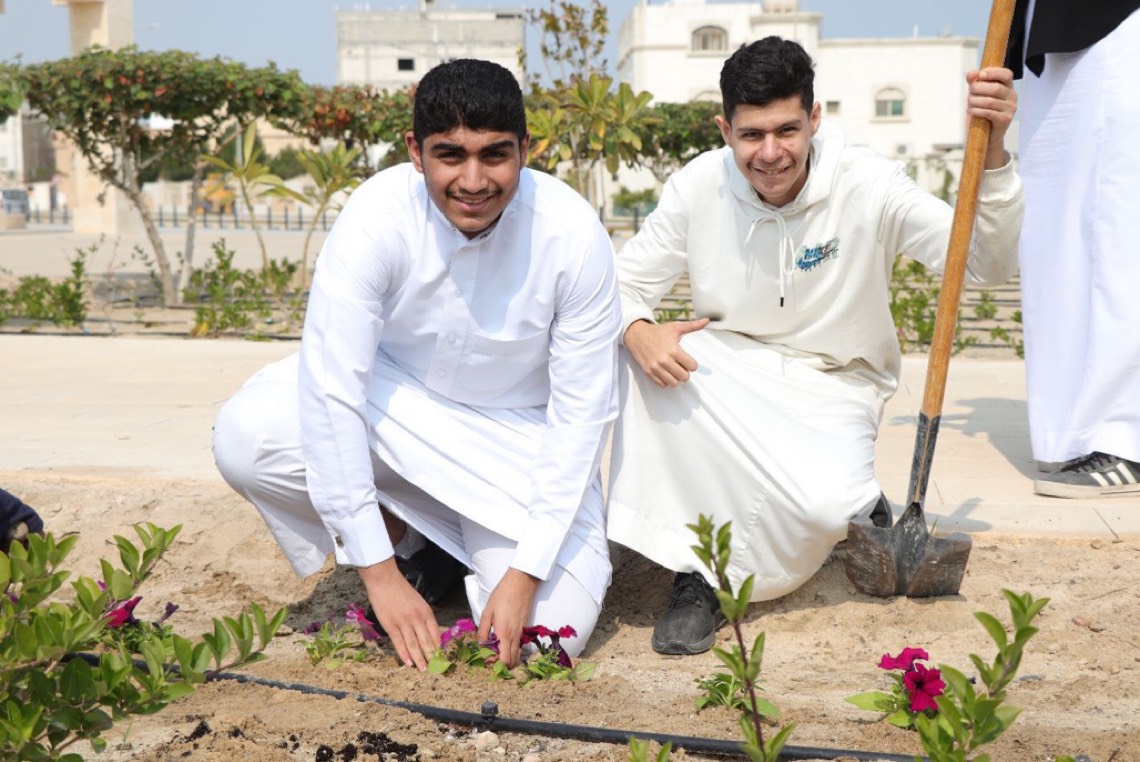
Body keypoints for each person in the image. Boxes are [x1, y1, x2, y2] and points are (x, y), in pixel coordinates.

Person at [607, 36, 1023, 655]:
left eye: (787, 130)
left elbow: (985, 263)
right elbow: (621, 284)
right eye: (751, 135)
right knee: (638, 360)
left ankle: (856, 502)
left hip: (837, 382)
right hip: (731, 370)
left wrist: (994, 153)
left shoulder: (868, 181)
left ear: (815, 119)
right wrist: (638, 329)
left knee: (826, 509)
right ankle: (700, 575)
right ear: (725, 130)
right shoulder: (697, 185)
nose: (770, 153)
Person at [213, 59, 621, 671]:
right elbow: (333, 392)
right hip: (395, 408)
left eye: (495, 155)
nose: (474, 180)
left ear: (526, 150)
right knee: (249, 440)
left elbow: (582, 417)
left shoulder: (573, 234)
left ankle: (453, 552)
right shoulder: (375, 218)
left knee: (545, 641)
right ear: (415, 151)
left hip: (518, 446)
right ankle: (410, 545)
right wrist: (378, 574)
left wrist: (524, 573)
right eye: (450, 155)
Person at [1004, 0, 1140, 498]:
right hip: (1050, 25)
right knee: (1051, 236)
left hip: (1119, 21)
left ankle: (1123, 437)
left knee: (1115, 231)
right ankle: (1072, 434)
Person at [1, 487, 44, 554]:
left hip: (8, 526)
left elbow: (26, 513)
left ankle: (14, 553)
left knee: (19, 532)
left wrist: (37, 534)